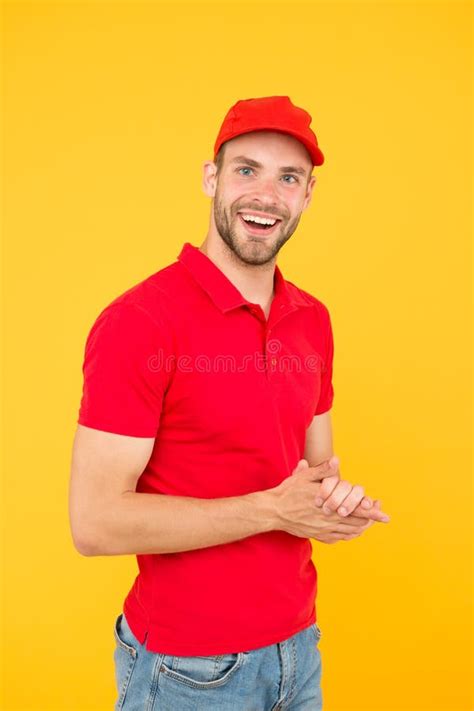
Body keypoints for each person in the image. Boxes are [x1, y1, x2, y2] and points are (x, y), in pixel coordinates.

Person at [69, 95, 390, 711]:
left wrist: (336, 504)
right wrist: (273, 510)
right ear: (211, 179)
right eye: (247, 170)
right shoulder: (140, 323)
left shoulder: (312, 320)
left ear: (307, 195)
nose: (266, 194)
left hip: (299, 649)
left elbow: (314, 479)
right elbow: (93, 523)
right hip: (188, 669)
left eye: (287, 177)